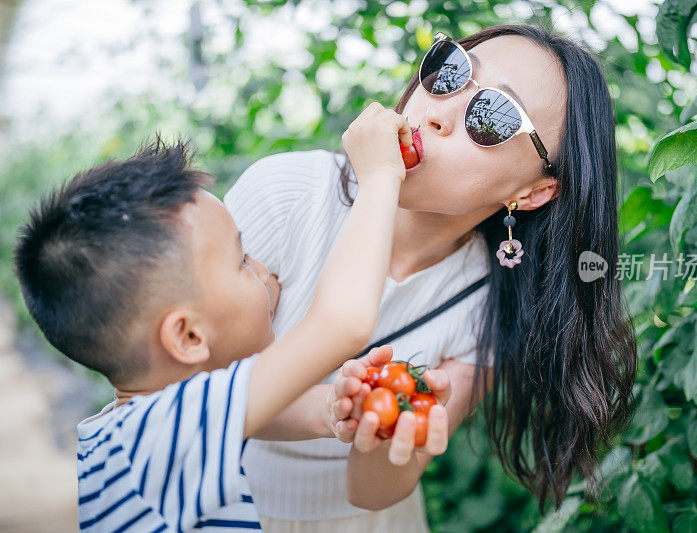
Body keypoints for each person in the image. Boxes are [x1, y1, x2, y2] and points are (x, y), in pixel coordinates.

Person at [226, 23, 638, 530]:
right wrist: (334, 408)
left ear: (532, 192)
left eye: (491, 114)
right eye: (450, 71)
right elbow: (202, 388)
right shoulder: (288, 195)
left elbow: (373, 491)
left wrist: (388, 433)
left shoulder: (491, 304)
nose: (438, 113)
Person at [12, 102, 415, 531]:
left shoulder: (140, 432)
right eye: (242, 261)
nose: (263, 269)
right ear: (187, 337)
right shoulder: (163, 435)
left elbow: (250, 410)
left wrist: (327, 407)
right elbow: (342, 323)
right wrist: (378, 177)